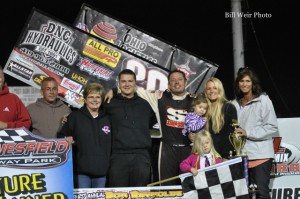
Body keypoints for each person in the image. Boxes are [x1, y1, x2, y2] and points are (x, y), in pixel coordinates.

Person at [104, 69, 156, 187]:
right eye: (123, 81)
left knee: (139, 194)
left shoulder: (145, 104)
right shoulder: (109, 103)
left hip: (141, 156)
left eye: (130, 81)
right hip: (118, 156)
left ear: (135, 83)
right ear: (118, 83)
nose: (127, 84)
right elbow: (93, 113)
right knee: (117, 194)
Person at [232, 67, 278, 199]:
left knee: (261, 193)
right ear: (238, 83)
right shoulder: (234, 104)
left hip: (261, 156)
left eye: (248, 81)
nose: (244, 84)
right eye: (241, 81)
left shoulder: (263, 100)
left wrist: (247, 132)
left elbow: (271, 127)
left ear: (253, 83)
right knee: (242, 195)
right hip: (242, 157)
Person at [58, 83, 111, 188]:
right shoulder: (75, 117)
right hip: (81, 172)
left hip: (102, 171)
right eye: (91, 97)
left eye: (98, 97)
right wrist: (66, 140)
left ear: (102, 99)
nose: (94, 100)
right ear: (85, 100)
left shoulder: (109, 118)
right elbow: (61, 137)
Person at [201, 77, 238, 159]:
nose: (211, 91)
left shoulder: (229, 107)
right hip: (208, 156)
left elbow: (233, 133)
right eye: (208, 88)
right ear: (206, 92)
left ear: (220, 90)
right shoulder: (203, 110)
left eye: (215, 88)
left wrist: (223, 157)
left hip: (225, 157)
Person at [0, 65, 31, 130]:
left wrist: (7, 125)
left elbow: (26, 123)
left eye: (0, 77)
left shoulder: (14, 99)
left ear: (3, 78)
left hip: (9, 139)